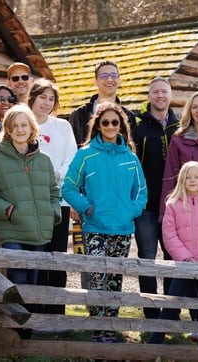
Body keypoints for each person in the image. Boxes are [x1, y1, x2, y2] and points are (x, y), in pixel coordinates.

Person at [62, 102, 148, 343]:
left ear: (121, 126)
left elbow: (141, 192)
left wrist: (130, 211)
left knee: (114, 280)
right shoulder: (85, 155)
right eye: (105, 122)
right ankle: (98, 328)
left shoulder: (130, 158)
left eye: (115, 122)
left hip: (122, 229)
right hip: (95, 228)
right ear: (98, 126)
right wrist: (87, 207)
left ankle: (110, 328)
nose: (110, 126)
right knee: (97, 278)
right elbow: (68, 188)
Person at [0, 105, 60, 340]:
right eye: (15, 126)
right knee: (17, 280)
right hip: (13, 233)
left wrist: (53, 213)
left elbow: (54, 192)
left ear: (32, 128)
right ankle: (15, 330)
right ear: (8, 130)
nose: (20, 130)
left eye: (24, 125)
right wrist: (8, 210)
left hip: (39, 234)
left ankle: (24, 331)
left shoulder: (44, 160)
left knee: (32, 282)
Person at [148, 161, 198, 346]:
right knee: (172, 304)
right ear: (182, 180)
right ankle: (154, 344)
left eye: (196, 177)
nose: (192, 180)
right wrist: (186, 259)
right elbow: (169, 235)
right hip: (184, 266)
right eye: (188, 177)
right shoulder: (173, 205)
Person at [131, 77, 180, 320]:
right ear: (149, 96)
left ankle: (170, 312)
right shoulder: (138, 127)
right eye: (155, 92)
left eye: (164, 92)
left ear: (170, 96)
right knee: (147, 257)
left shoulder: (180, 126)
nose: (160, 96)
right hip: (146, 206)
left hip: (174, 205)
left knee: (172, 257)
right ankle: (151, 312)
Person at [28, 79, 78, 316]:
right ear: (33, 97)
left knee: (57, 254)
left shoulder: (62, 126)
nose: (47, 103)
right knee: (37, 253)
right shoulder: (23, 123)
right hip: (30, 201)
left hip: (59, 200)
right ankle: (36, 310)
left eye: (51, 99)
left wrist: (57, 174)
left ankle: (56, 310)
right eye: (42, 97)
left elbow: (73, 159)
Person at [160, 91, 198, 217]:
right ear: (190, 111)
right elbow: (170, 174)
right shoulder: (178, 139)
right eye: (194, 107)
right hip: (188, 206)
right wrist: (164, 212)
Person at [68, 60, 136, 146]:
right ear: (95, 82)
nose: (109, 79)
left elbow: (132, 148)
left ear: (119, 81)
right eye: (104, 76)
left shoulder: (129, 116)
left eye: (114, 75)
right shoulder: (79, 115)